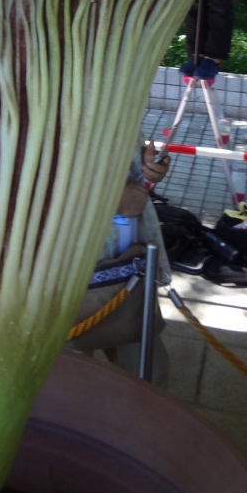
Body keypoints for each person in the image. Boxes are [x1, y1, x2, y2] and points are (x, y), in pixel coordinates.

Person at [67, 139, 173, 386]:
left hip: (127, 253)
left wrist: (149, 166)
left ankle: (143, 414)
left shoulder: (115, 101)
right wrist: (110, 197)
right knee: (74, 366)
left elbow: (130, 161)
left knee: (149, 366)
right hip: (71, 259)